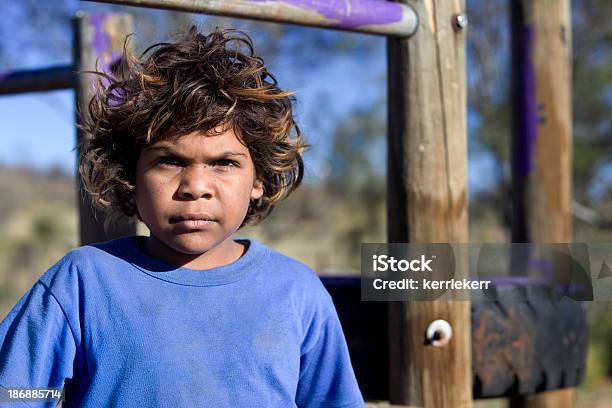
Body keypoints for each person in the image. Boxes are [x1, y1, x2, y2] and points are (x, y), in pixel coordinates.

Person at [0, 26, 364, 407]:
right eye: (170, 161)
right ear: (130, 176)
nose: (195, 185)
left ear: (258, 179)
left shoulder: (296, 291)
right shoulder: (83, 282)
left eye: (224, 163)